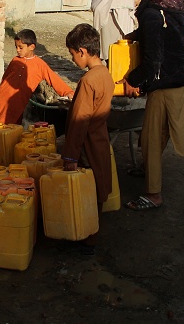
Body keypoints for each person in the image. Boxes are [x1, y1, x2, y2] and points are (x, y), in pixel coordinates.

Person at [119, 0, 184, 210]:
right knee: (159, 135)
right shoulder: (171, 7)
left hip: (163, 84)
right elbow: (163, 36)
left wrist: (132, 80)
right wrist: (135, 36)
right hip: (180, 80)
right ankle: (149, 171)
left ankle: (153, 195)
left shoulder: (151, 12)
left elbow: (154, 59)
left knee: (150, 138)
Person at [61, 23, 115, 255]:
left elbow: (79, 121)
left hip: (87, 143)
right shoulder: (105, 74)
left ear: (82, 51)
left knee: (86, 192)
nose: (73, 59)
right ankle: (93, 235)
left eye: (73, 54)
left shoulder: (88, 81)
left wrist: (71, 154)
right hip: (101, 139)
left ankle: (85, 238)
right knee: (98, 188)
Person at [0, 29, 74, 124]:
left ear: (31, 47)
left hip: (18, 103)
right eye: (16, 47)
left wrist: (68, 92)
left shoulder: (40, 65)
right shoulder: (15, 61)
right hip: (3, 100)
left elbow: (53, 79)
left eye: (20, 47)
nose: (17, 50)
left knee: (12, 130)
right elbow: (5, 78)